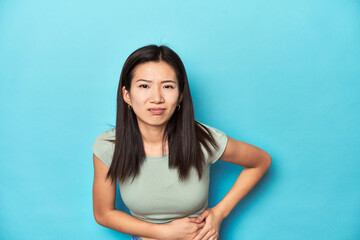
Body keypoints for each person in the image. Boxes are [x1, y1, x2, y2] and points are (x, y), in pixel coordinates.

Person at [92, 45, 272, 240]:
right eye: (144, 86)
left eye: (168, 86)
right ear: (127, 95)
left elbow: (261, 161)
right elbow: (104, 213)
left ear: (180, 96)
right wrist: (162, 232)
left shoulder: (202, 139)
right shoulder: (109, 146)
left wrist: (220, 213)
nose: (157, 98)